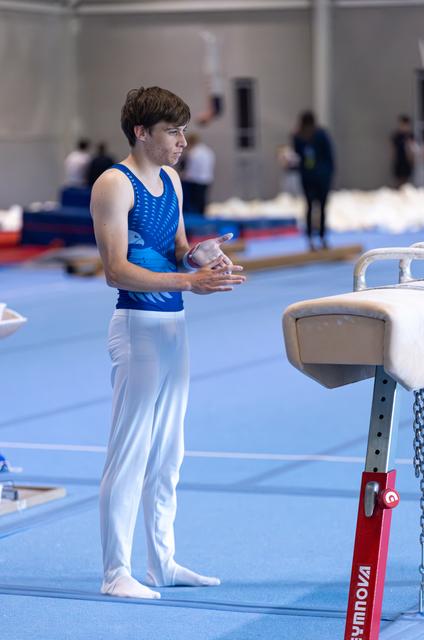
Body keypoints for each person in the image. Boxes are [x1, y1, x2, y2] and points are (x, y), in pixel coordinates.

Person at [90, 86, 245, 600]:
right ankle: (116, 572)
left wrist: (204, 259)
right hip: (137, 329)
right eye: (172, 131)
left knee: (169, 455)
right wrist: (189, 283)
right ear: (142, 132)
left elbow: (176, 250)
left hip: (173, 326)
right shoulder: (114, 185)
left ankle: (162, 562)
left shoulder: (173, 180)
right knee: (130, 453)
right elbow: (115, 270)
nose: (183, 140)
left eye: (182, 131)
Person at [293, 111, 335, 251]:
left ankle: (317, 238)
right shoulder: (299, 136)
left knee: (315, 208)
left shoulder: (318, 135)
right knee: (315, 207)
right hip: (315, 177)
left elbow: (329, 156)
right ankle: (316, 238)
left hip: (314, 176)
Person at [181, 133, 215, 214]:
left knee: (192, 202)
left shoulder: (193, 153)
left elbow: (190, 169)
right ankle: (201, 216)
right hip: (206, 180)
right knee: (202, 200)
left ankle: (192, 216)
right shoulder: (208, 151)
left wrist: (183, 176)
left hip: (195, 180)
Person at [391, 115, 415, 188]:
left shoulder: (410, 135)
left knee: (406, 182)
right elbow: (393, 149)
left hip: (407, 161)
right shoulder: (396, 135)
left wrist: (411, 160)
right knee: (399, 181)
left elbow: (412, 149)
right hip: (399, 160)